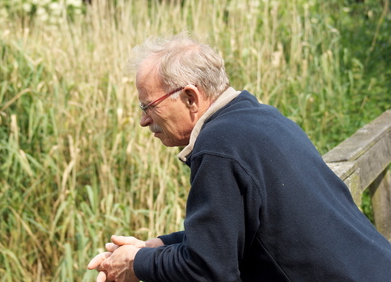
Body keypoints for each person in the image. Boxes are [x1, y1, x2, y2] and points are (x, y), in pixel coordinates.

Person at [88, 33, 391, 282]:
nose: (144, 121)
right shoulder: (260, 118)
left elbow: (207, 270)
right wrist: (159, 246)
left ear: (190, 98)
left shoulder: (218, 146)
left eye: (148, 106)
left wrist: (138, 263)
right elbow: (241, 229)